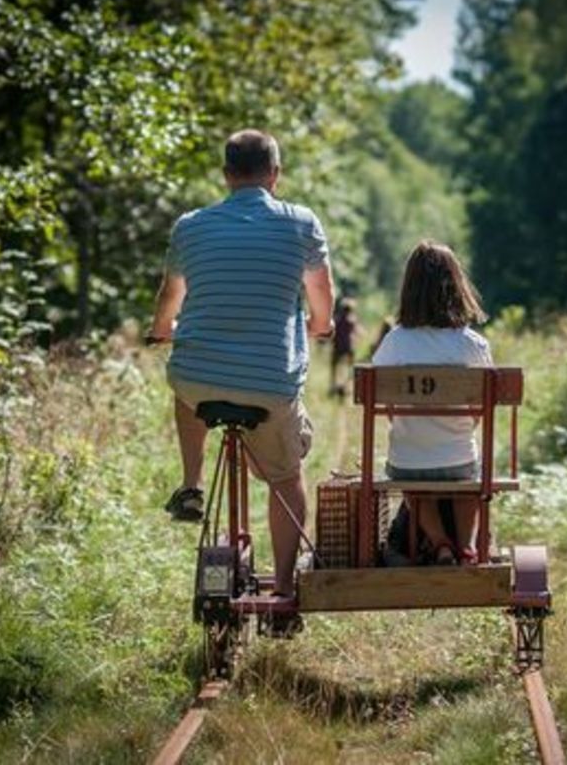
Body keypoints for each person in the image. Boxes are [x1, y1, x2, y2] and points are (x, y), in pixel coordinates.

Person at [149, 129, 335, 601]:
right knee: (286, 478)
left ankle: (190, 485)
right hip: (268, 384)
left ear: (227, 175)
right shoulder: (300, 222)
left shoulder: (190, 226)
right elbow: (322, 295)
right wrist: (320, 324)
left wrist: (161, 329)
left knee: (186, 386)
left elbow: (170, 297)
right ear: (275, 174)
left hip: (198, 376)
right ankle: (286, 590)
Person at [372, 240, 492, 565]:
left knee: (415, 483)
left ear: (409, 288)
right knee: (468, 480)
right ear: (456, 286)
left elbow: (381, 402)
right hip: (458, 458)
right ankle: (467, 547)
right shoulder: (472, 344)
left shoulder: (395, 341)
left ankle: (440, 544)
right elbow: (483, 410)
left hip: (407, 458)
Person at [329, 297, 360, 397]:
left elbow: (332, 334)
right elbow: (357, 334)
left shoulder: (337, 320)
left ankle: (333, 385)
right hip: (348, 348)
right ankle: (347, 385)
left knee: (334, 367)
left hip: (337, 347)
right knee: (351, 368)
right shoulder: (351, 321)